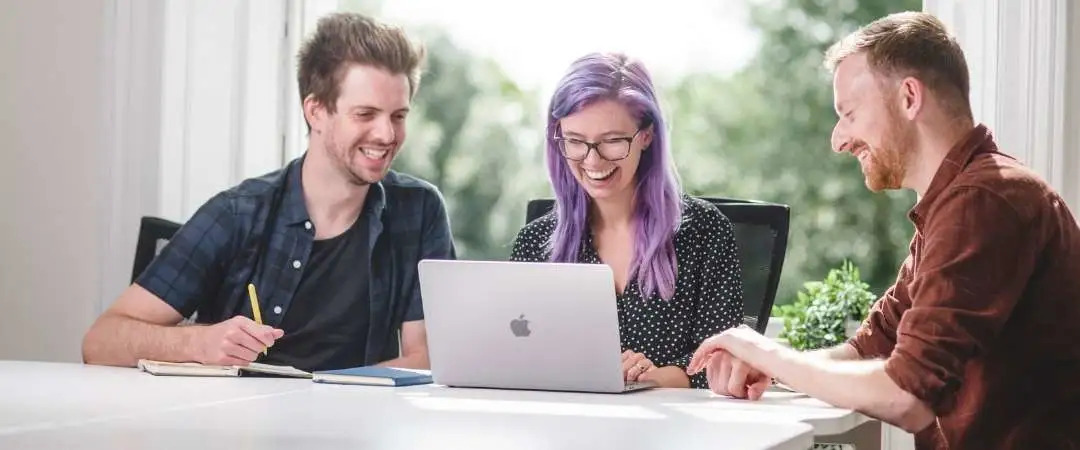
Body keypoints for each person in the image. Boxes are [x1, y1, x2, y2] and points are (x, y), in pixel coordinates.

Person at [686, 11, 1080, 449]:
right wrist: (777, 369)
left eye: (849, 113)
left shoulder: (985, 200)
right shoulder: (954, 203)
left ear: (909, 97)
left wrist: (765, 351)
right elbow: (869, 347)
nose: (838, 139)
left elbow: (907, 395)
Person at [82, 12, 455, 373]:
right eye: (365, 114)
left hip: (356, 427)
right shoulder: (236, 214)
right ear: (316, 111)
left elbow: (428, 356)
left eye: (398, 116)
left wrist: (336, 393)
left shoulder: (419, 210)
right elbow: (101, 341)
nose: (387, 135)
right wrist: (200, 344)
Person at [510, 52, 745, 389]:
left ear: (646, 135)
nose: (593, 160)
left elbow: (723, 366)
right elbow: (516, 359)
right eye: (575, 141)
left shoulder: (705, 232)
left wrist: (649, 379)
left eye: (612, 141)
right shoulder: (535, 243)